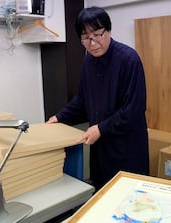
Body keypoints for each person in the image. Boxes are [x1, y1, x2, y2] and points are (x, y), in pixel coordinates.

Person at [47, 6, 149, 191]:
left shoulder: (128, 59)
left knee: (128, 198)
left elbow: (134, 109)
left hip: (126, 148)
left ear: (108, 31)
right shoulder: (88, 61)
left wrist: (101, 128)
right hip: (100, 148)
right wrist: (60, 117)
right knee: (101, 192)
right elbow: (82, 99)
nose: (92, 43)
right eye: (85, 38)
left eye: (97, 35)